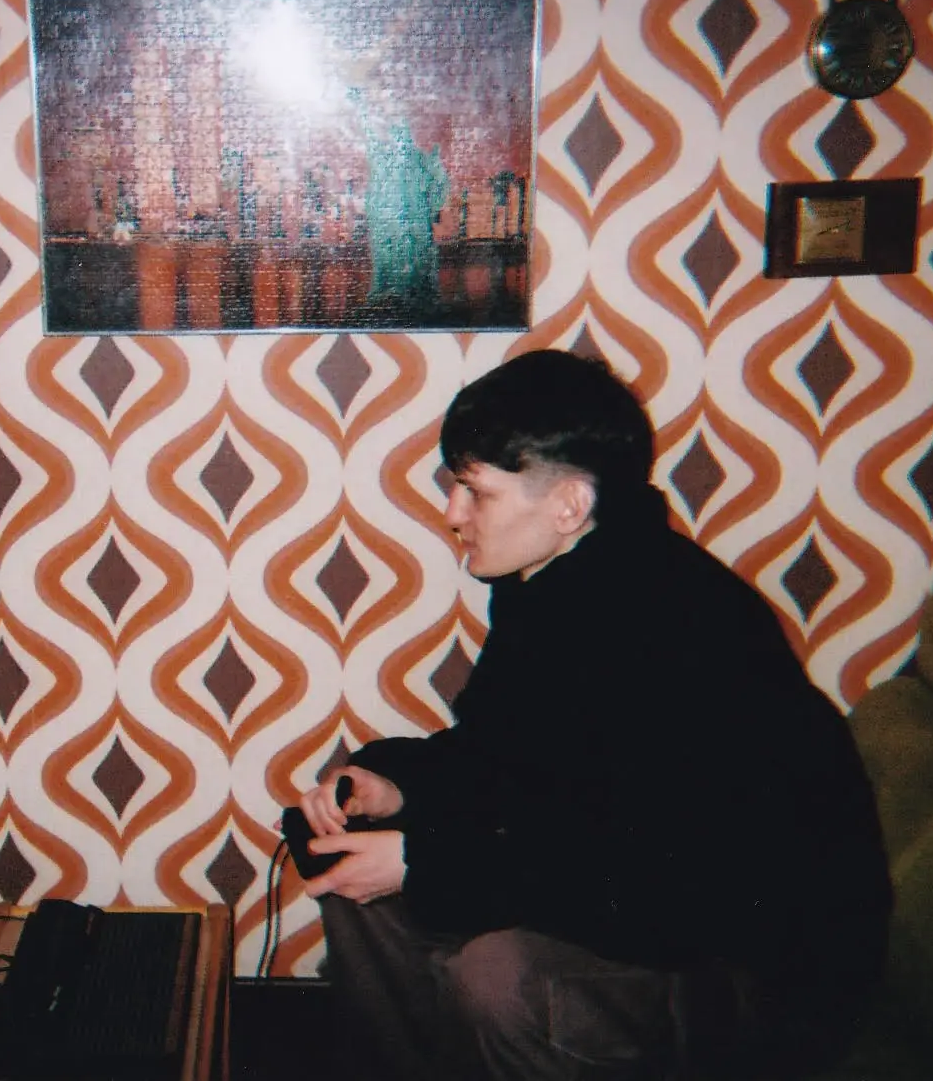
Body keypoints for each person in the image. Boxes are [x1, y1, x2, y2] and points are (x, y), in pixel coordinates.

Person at [293, 349, 892, 1081]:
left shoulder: (673, 622)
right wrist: (391, 786)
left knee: (499, 974)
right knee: (352, 862)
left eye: (473, 492)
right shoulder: (557, 579)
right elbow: (509, 762)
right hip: (639, 904)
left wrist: (423, 861)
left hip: (756, 972)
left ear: (567, 505)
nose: (451, 514)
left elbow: (653, 875)